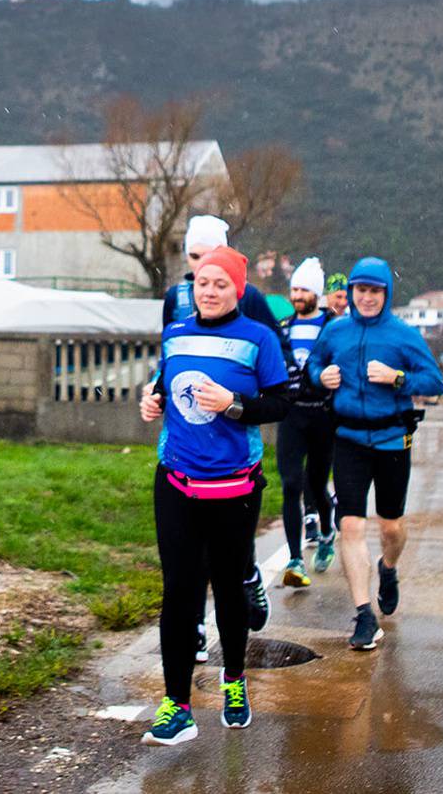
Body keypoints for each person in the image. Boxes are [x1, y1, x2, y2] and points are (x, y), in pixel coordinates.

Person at [138, 246, 290, 744]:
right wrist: (152, 400)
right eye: (203, 282)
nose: (209, 291)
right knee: (179, 593)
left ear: (238, 289)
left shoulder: (259, 339)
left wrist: (235, 405)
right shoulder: (175, 333)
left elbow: (281, 403)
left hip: (235, 487)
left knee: (227, 588)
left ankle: (234, 682)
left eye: (220, 283)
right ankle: (176, 703)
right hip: (177, 480)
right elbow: (165, 384)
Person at [307, 255, 443, 652]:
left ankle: (388, 568)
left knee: (390, 528)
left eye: (375, 291)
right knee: (351, 525)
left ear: (386, 294)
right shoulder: (335, 332)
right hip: (348, 439)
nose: (367, 298)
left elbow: (435, 382)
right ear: (350, 292)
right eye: (360, 290)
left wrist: (397, 378)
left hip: (391, 440)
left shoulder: (403, 336)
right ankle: (364, 615)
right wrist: (321, 376)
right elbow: (316, 363)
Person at [161, 214, 283, 647]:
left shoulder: (250, 304)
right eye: (194, 261)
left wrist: (234, 402)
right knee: (185, 563)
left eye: (210, 264)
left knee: (227, 558)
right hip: (179, 448)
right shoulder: (175, 298)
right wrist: (156, 394)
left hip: (234, 456)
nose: (201, 276)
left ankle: (247, 575)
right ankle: (194, 626)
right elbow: (168, 362)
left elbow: (276, 380)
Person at [277, 257, 338, 586]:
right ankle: (295, 559)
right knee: (290, 483)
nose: (297, 295)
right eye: (294, 289)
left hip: (323, 414)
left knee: (316, 483)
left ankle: (327, 532)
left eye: (304, 289)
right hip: (292, 413)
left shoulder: (332, 328)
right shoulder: (283, 328)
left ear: (316, 293)